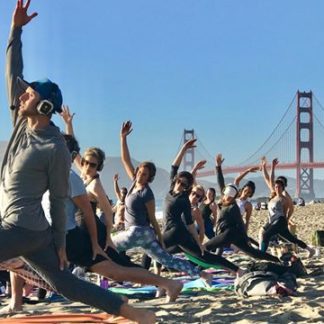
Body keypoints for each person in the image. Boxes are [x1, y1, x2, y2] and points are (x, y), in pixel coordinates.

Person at [0, 2, 155, 322]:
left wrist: (59, 242)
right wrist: (16, 30)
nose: (22, 94)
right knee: (66, 284)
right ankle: (137, 314)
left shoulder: (54, 145)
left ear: (44, 107)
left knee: (64, 280)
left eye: (29, 94)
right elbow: (12, 73)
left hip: (22, 225)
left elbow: (59, 196)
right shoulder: (21, 121)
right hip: (32, 230)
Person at [204, 154, 280, 264]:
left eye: (230, 197)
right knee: (215, 249)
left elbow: (241, 222)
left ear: (234, 197)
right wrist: (218, 166)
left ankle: (276, 259)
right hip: (223, 231)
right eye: (226, 195)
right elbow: (220, 181)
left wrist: (246, 238)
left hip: (232, 233)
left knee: (252, 253)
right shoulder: (224, 196)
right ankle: (205, 265)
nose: (227, 198)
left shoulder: (234, 207)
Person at [259, 158, 315, 258]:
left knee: (266, 235)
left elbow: (291, 208)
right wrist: (269, 167)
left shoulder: (285, 197)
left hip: (280, 220)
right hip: (273, 220)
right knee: (291, 239)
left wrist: (287, 218)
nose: (277, 187)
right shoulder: (274, 194)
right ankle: (310, 250)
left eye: (279, 186)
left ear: (283, 186)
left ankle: (261, 255)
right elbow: (269, 179)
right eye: (276, 186)